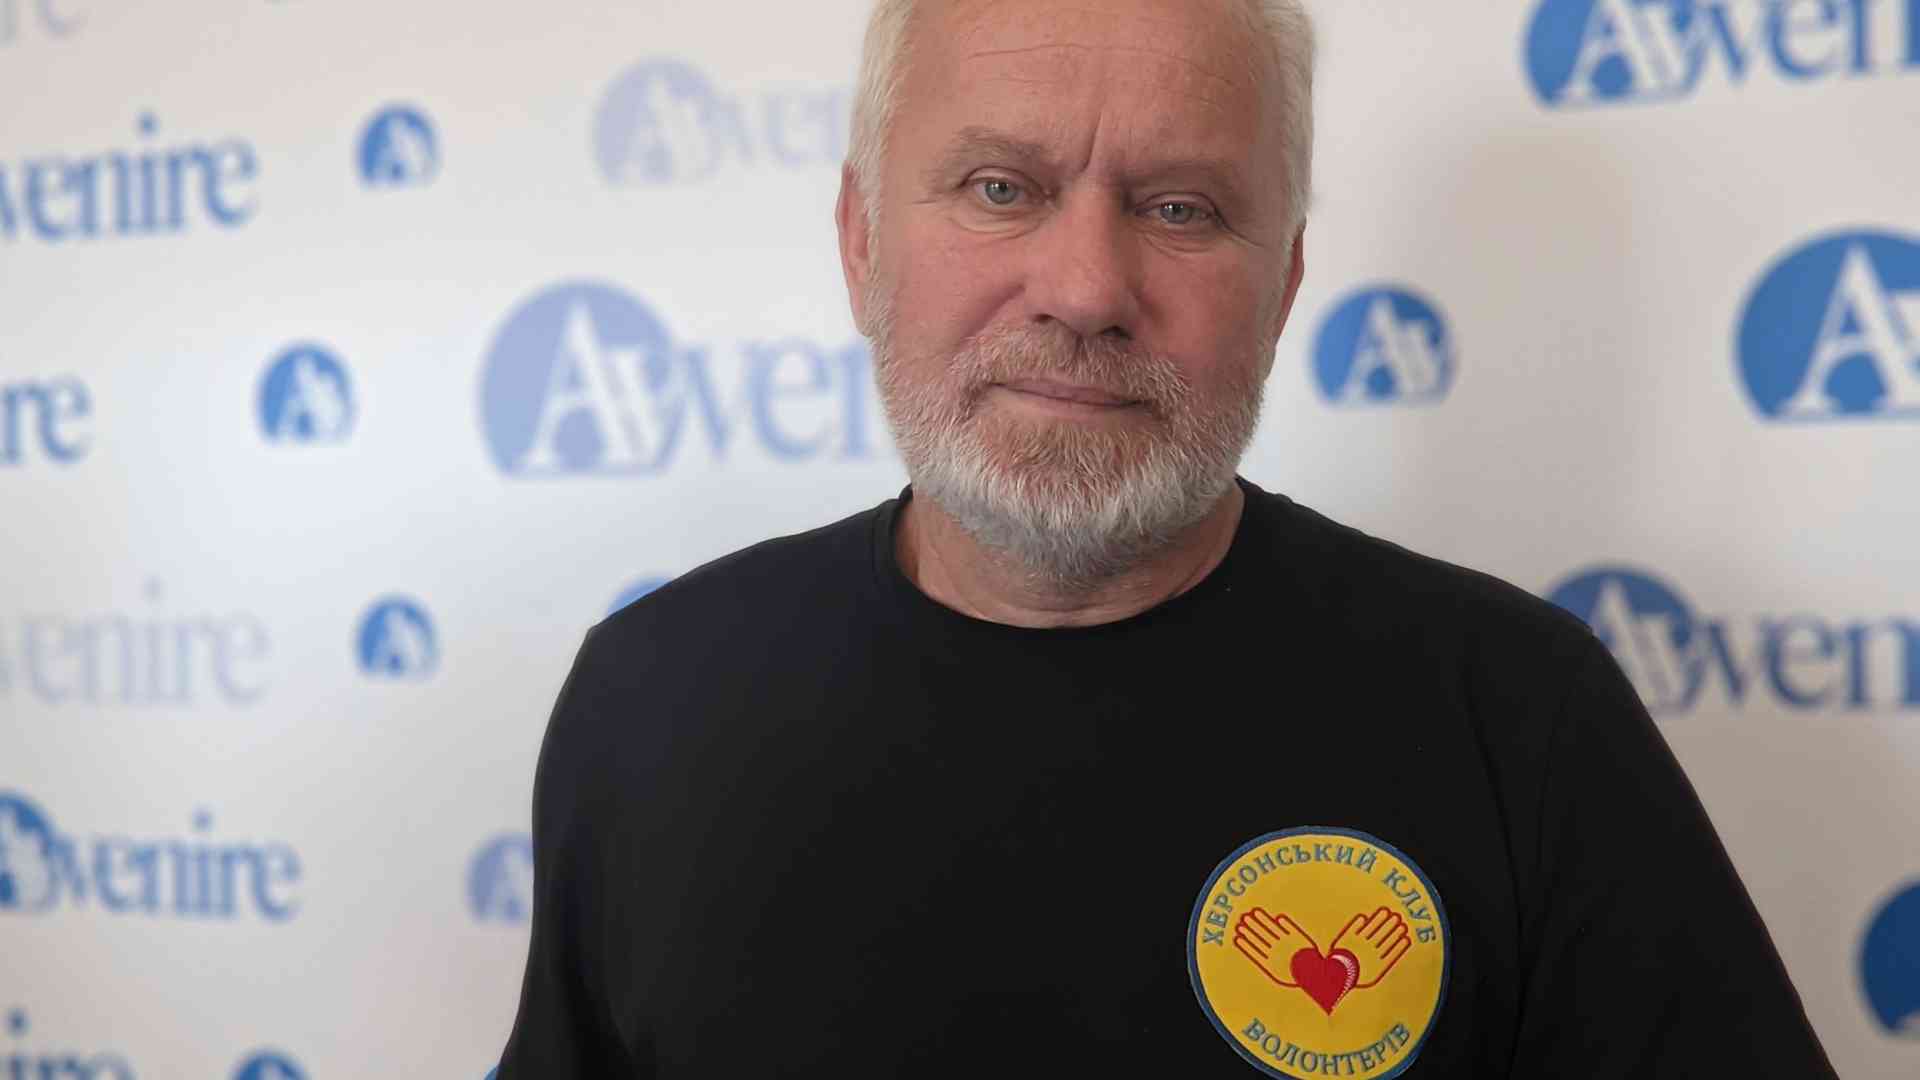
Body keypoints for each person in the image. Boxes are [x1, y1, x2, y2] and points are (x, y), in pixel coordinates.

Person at [496, 1, 1837, 1076]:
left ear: (1286, 282)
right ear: (859, 242)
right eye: (1000, 187)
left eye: (1181, 207)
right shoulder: (649, 694)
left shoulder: (1523, 717)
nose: (1086, 289)